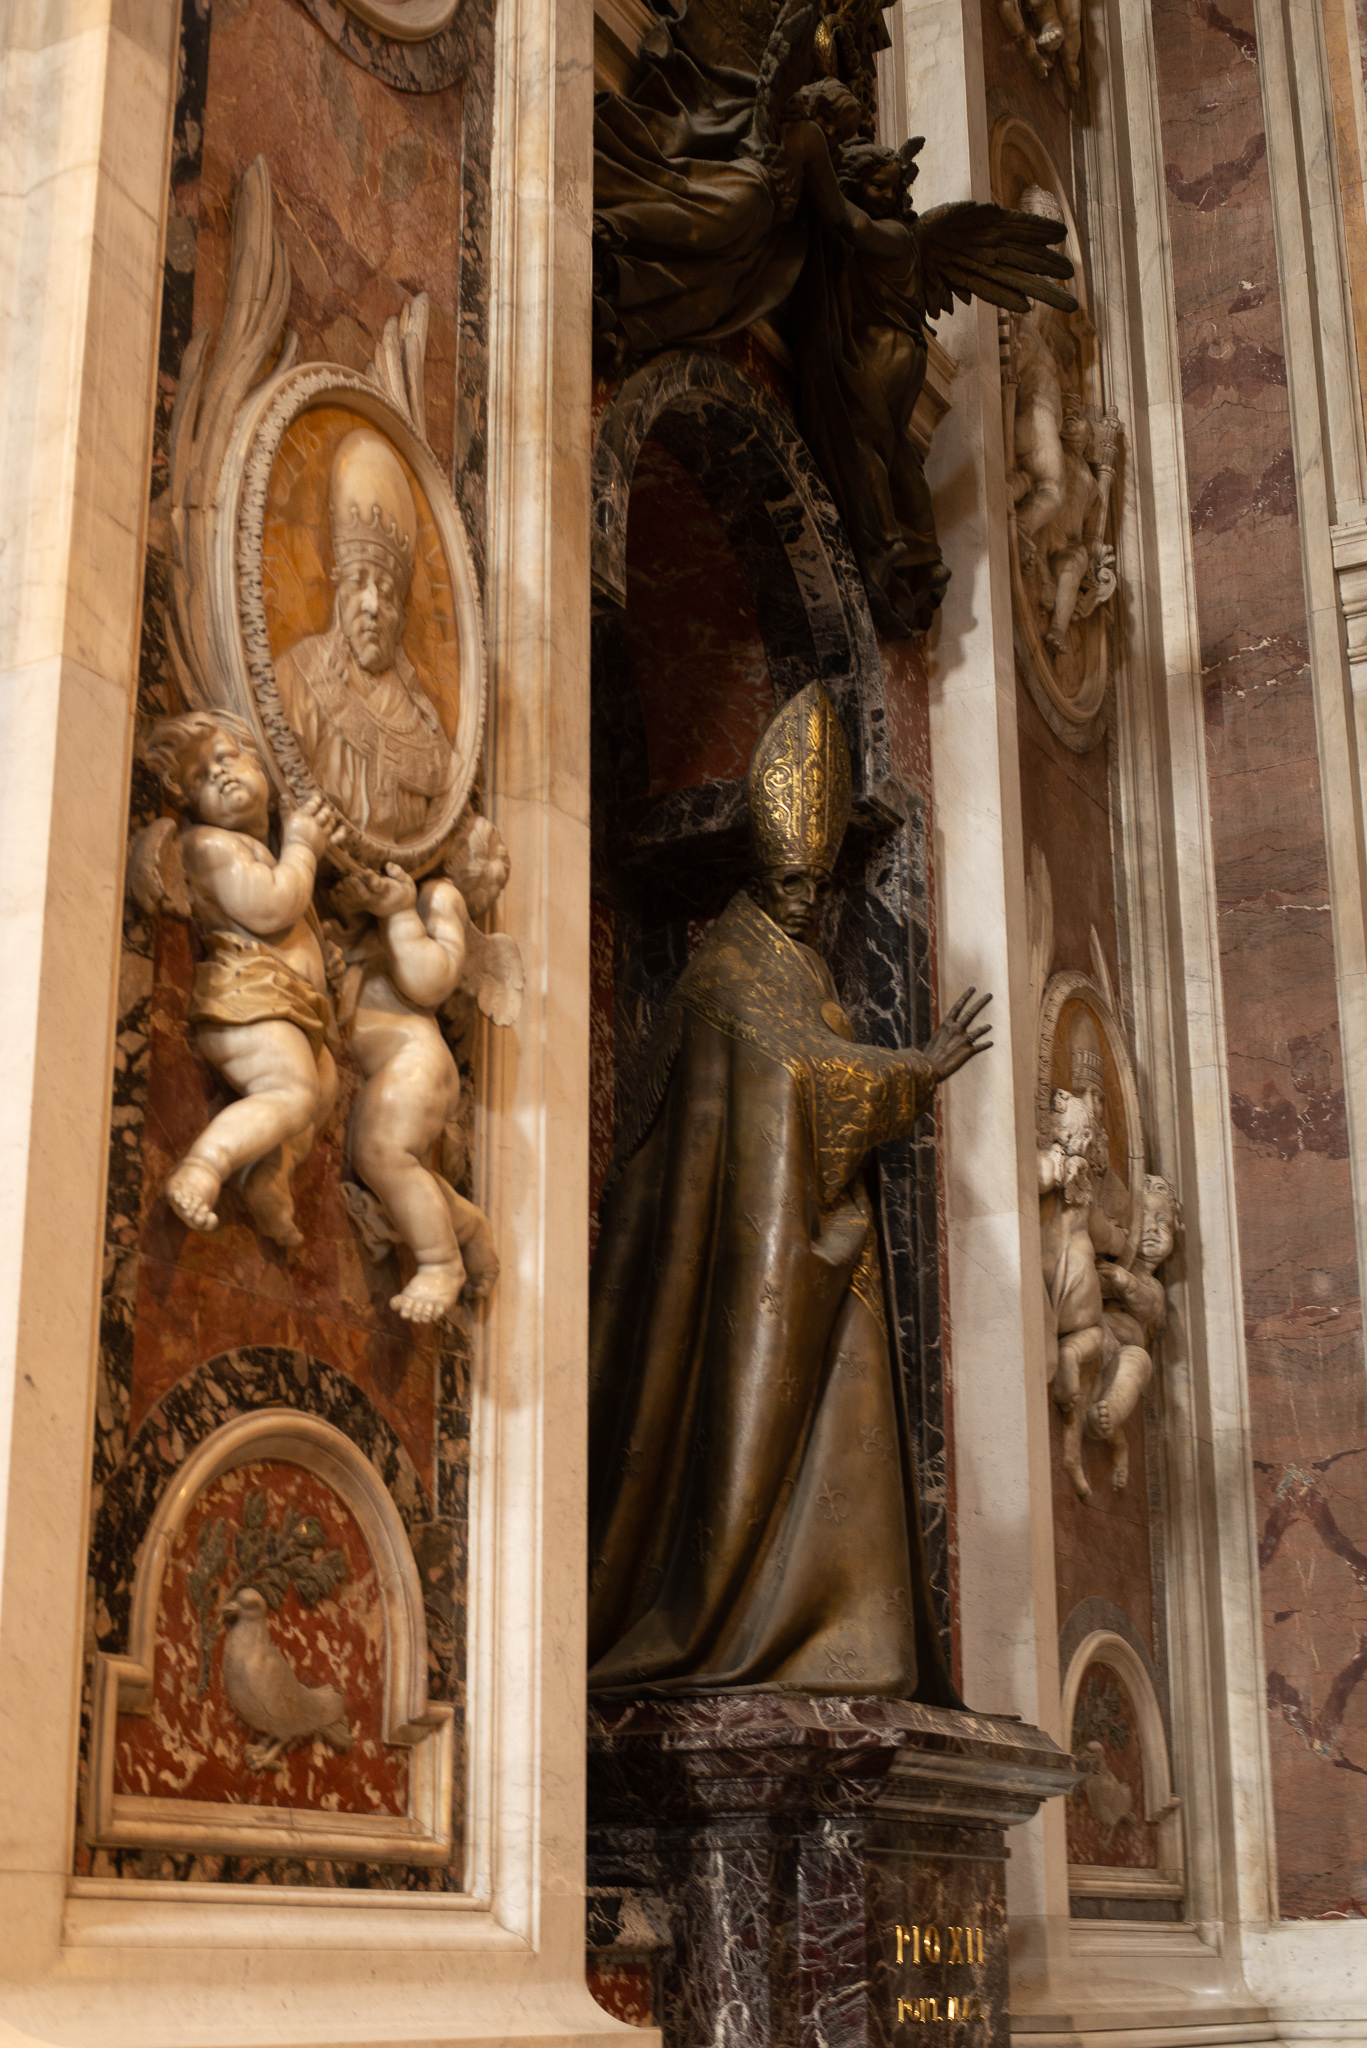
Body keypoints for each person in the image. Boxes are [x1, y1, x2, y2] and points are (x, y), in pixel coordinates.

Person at [587, 684, 990, 1697]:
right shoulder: (727, 970)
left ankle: (832, 1631)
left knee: (839, 1423)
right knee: (752, 1429)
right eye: (789, 880)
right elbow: (795, 1071)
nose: (806, 898)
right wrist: (917, 1067)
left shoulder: (798, 964)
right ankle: (744, 1622)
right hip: (751, 1256)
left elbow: (804, 1068)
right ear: (759, 875)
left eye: (816, 881)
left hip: (800, 1228)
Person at [136, 711, 339, 1250]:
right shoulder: (210, 846)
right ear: (189, 802)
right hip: (248, 997)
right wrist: (303, 846)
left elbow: (292, 924)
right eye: (201, 778)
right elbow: (269, 906)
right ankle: (205, 1164)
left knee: (319, 1096)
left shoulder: (260, 849)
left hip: (291, 1005)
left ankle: (268, 1174)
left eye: (227, 758)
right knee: (292, 1092)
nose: (219, 774)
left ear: (260, 766)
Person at [332, 859, 500, 1325]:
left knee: (381, 1152)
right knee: (395, 1173)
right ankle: (468, 1227)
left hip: (417, 1059)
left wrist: (400, 910)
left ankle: (441, 1263)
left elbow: (430, 983)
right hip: (394, 1065)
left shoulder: (437, 898)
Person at [274, 428, 449, 846]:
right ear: (338, 592)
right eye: (358, 582)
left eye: (387, 592)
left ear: (402, 617)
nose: (372, 604)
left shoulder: (427, 733)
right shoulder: (298, 678)